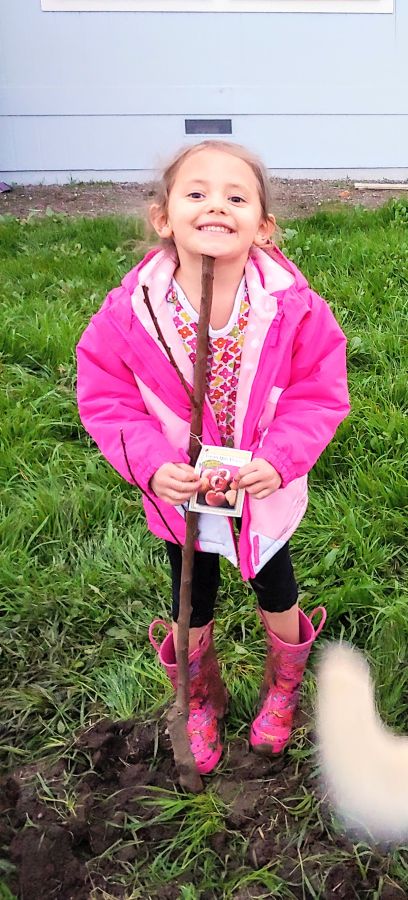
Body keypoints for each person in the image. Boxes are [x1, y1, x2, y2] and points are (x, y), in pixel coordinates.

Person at [76, 140, 349, 775]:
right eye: (196, 193)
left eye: (236, 196)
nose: (216, 205)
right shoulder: (131, 315)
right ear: (163, 218)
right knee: (190, 601)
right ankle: (200, 696)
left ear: (264, 225)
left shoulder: (291, 307)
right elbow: (108, 397)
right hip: (182, 499)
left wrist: (279, 459)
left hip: (260, 491)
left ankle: (282, 690)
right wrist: (149, 465)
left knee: (276, 587)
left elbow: (318, 391)